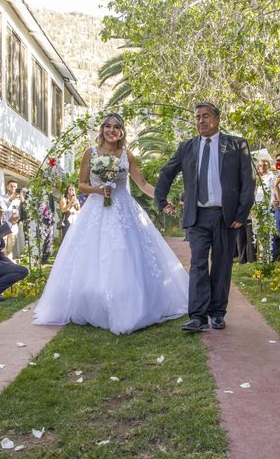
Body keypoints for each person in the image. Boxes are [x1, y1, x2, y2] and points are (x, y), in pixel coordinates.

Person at [34, 113, 189, 335]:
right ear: (102, 130)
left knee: (127, 254)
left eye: (116, 127)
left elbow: (142, 183)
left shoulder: (127, 154)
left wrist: (162, 199)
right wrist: (99, 189)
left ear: (122, 132)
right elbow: (81, 184)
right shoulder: (91, 152)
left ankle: (130, 302)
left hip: (125, 209)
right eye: (107, 126)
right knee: (93, 256)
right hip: (97, 209)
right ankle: (95, 303)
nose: (111, 130)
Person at [155, 102, 255, 332]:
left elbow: (247, 181)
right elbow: (167, 172)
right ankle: (198, 316)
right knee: (198, 263)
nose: (201, 120)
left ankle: (218, 313)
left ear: (217, 119)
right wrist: (161, 200)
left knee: (221, 265)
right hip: (198, 216)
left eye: (206, 116)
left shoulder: (236, 145)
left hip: (226, 216)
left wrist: (242, 212)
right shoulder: (187, 147)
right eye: (198, 117)